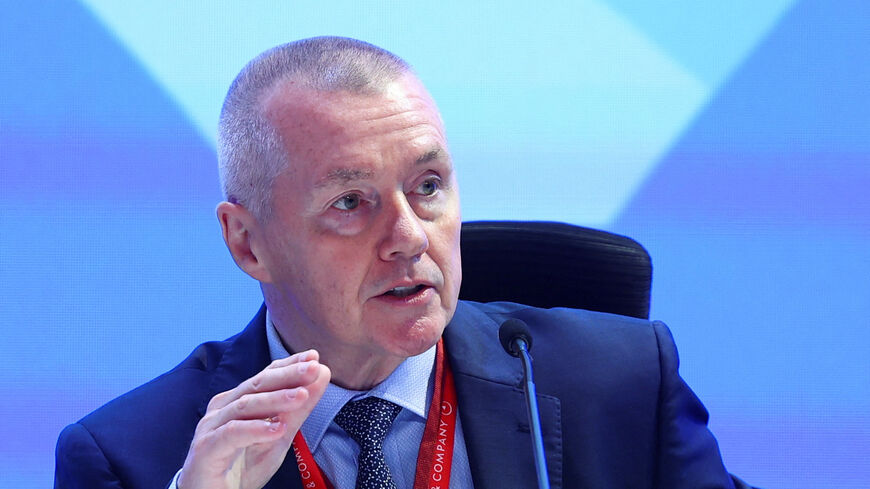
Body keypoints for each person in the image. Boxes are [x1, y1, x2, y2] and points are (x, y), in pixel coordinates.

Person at [55, 36, 750, 489]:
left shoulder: (624, 383)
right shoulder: (129, 459)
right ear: (247, 243)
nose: (410, 237)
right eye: (350, 202)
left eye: (428, 186)